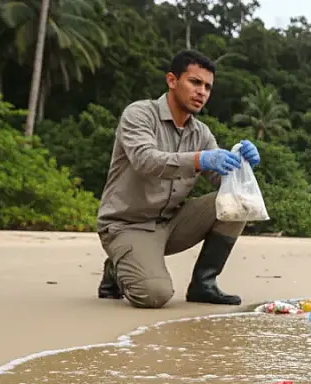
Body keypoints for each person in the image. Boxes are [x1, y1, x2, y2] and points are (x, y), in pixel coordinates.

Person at [96, 49, 260, 308]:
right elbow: (145, 160)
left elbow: (222, 182)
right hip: (127, 225)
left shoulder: (201, 133)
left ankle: (203, 285)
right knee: (155, 295)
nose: (202, 92)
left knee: (237, 200)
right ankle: (118, 268)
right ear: (172, 81)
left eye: (207, 86)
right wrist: (200, 159)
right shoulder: (139, 114)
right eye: (195, 82)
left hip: (171, 223)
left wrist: (243, 166)